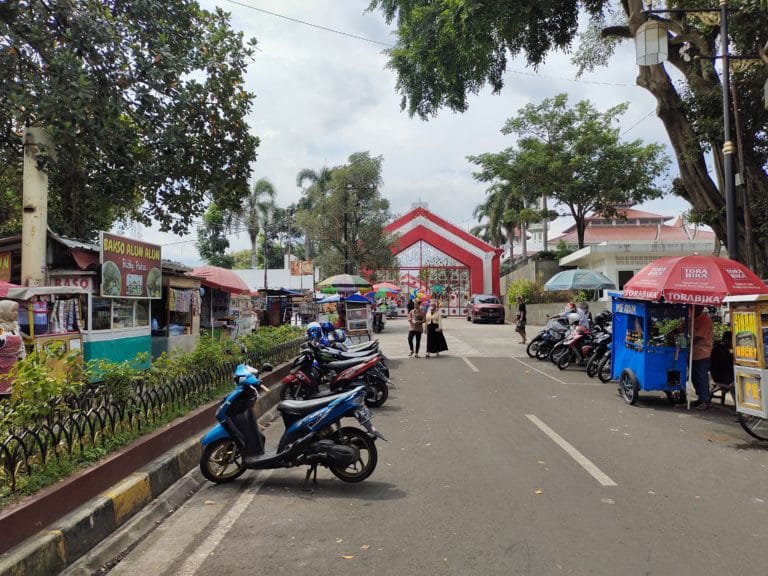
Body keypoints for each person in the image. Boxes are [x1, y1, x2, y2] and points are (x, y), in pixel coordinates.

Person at [0, 300, 27, 396]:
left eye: (17, 310)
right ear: (4, 312)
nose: (16, 313)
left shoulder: (15, 327)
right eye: (13, 311)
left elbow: (21, 346)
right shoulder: (0, 328)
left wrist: (23, 360)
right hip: (1, 369)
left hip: (14, 368)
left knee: (14, 395)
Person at [691, 305, 714, 410]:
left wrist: (687, 343)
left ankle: (705, 400)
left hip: (702, 353)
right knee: (694, 377)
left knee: (701, 378)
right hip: (692, 353)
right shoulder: (691, 318)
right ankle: (700, 398)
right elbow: (680, 328)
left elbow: (698, 337)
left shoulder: (705, 320)